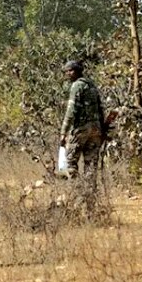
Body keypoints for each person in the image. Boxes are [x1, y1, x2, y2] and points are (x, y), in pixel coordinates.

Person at [59, 60, 106, 216]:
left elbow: (71, 111)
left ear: (76, 71)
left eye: (69, 71)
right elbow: (100, 108)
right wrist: (102, 129)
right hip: (95, 130)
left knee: (70, 162)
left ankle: (77, 196)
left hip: (81, 129)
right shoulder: (92, 85)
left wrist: (63, 132)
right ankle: (90, 205)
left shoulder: (77, 86)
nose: (67, 74)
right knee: (91, 166)